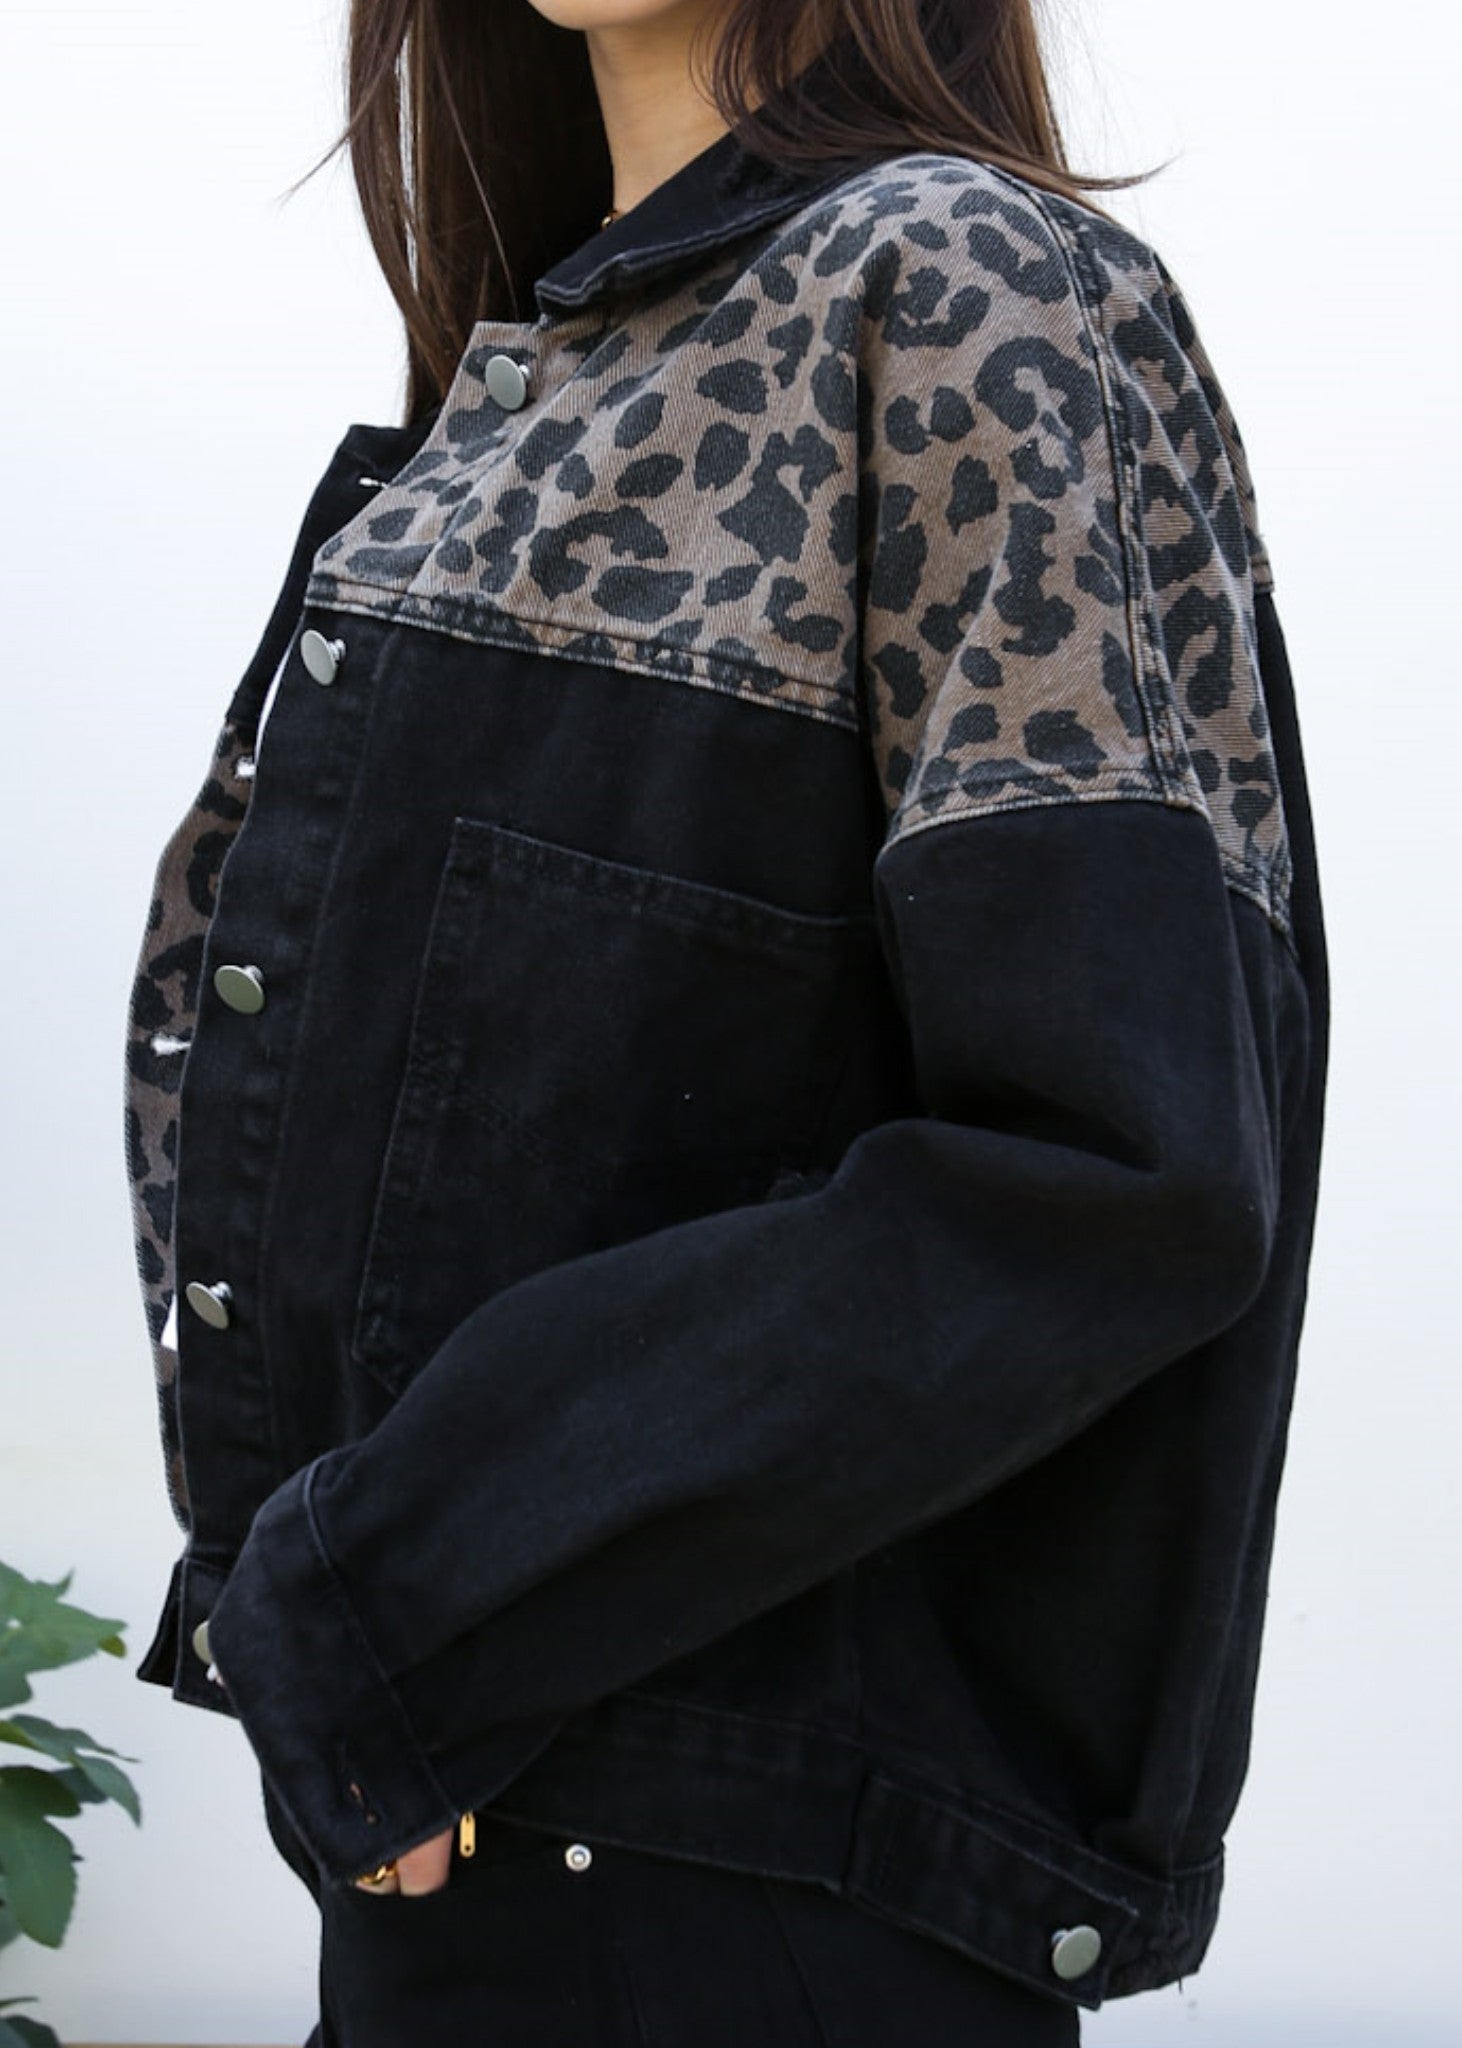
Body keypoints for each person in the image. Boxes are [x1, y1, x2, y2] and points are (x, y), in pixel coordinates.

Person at [121, 2, 1328, 2043]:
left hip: (746, 1903)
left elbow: (1116, 1165)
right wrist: (332, 1646)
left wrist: (397, 1596)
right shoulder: (528, 402)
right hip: (463, 1845)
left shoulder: (965, 287)